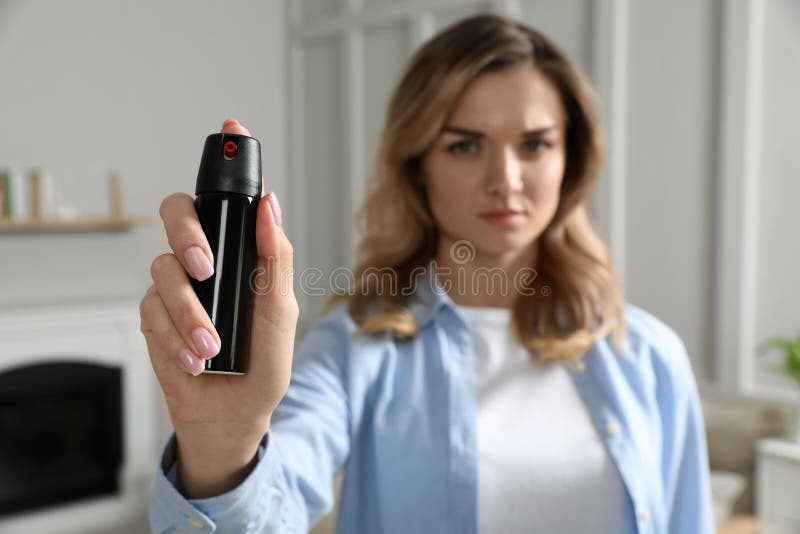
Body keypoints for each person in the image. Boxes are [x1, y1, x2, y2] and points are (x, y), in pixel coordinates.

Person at [142, 14, 714, 534]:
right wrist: (224, 447)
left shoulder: (650, 356)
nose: (506, 179)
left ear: (571, 160)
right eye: (465, 146)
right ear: (418, 165)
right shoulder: (354, 348)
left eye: (536, 144)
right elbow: (274, 504)